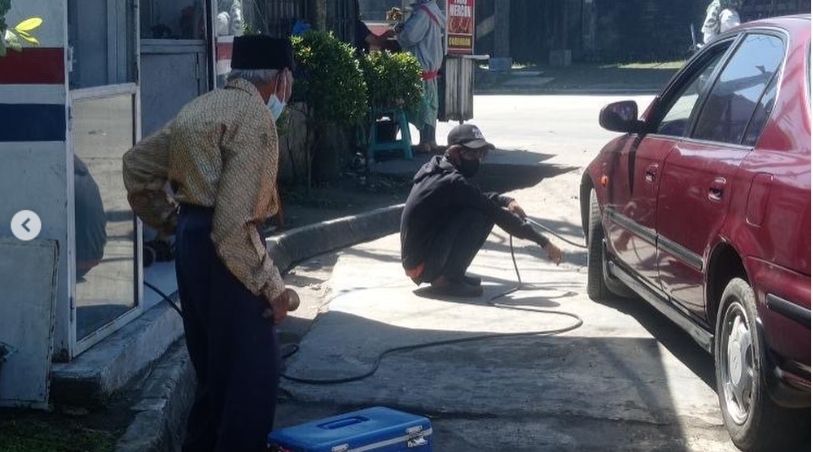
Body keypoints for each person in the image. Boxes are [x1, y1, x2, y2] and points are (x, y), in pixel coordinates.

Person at [122, 35, 297, 451]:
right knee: (251, 383)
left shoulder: (199, 108)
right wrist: (273, 290)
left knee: (215, 376)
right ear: (281, 80)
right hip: (225, 251)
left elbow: (136, 166)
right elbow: (234, 226)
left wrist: (173, 223)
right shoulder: (255, 120)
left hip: (192, 242)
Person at [400, 124, 563, 298]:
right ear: (456, 153)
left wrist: (506, 201)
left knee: (478, 209)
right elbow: (492, 210)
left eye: (481, 154)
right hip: (422, 266)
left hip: (420, 258)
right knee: (480, 214)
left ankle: (453, 273)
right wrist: (544, 243)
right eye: (472, 153)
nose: (478, 159)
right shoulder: (452, 182)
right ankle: (444, 280)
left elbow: (475, 196)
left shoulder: (437, 167)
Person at [396, 0, 445, 153]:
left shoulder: (423, 13)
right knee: (430, 107)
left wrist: (398, 31)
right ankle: (431, 140)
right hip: (431, 69)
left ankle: (424, 142)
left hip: (422, 67)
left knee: (422, 108)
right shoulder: (434, 9)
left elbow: (409, 37)